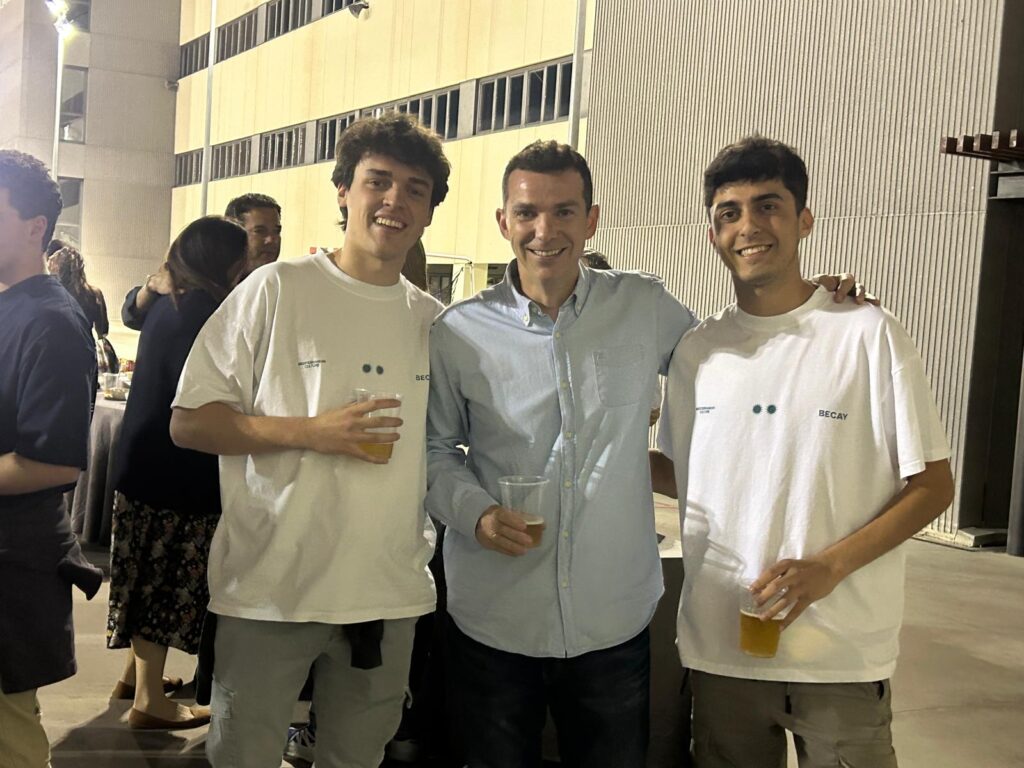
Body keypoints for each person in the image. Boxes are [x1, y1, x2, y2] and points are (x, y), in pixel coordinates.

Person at [426, 140, 866, 768]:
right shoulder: (458, 331)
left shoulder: (643, 306)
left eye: (564, 211)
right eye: (527, 213)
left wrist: (811, 303)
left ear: (591, 219)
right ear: (504, 222)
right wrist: (476, 513)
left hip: (612, 618)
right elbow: (434, 450)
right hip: (495, 617)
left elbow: (739, 350)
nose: (545, 230)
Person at [651, 136, 954, 767]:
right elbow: (689, 475)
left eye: (769, 206)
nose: (749, 226)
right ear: (713, 234)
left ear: (804, 220)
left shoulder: (868, 333)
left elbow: (933, 485)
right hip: (722, 647)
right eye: (730, 212)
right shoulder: (698, 351)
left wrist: (829, 568)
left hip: (841, 652)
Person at [169, 112, 450, 768]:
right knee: (244, 755)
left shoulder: (434, 323)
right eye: (378, 181)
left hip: (386, 592)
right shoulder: (276, 288)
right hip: (272, 585)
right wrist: (312, 433)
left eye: (415, 189)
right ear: (344, 191)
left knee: (357, 758)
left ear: (430, 210)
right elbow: (190, 421)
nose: (395, 200)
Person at [105, 216, 249, 730]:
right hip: (178, 469)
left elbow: (133, 310)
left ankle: (135, 679)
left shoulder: (171, 304)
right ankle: (150, 702)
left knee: (144, 573)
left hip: (143, 462)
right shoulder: (207, 313)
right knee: (164, 583)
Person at [0, 150, 101, 765]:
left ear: (34, 226)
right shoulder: (10, 304)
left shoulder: (53, 322)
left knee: (8, 727)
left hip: (13, 561)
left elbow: (56, 462)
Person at [120, 193, 282, 330]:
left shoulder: (278, 285)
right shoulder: (199, 284)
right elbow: (132, 317)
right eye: (260, 231)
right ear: (232, 231)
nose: (272, 240)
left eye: (276, 231)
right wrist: (150, 288)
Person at [46, 243, 118, 372]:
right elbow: (103, 330)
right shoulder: (94, 293)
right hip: (86, 354)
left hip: (56, 356)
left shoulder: (53, 295)